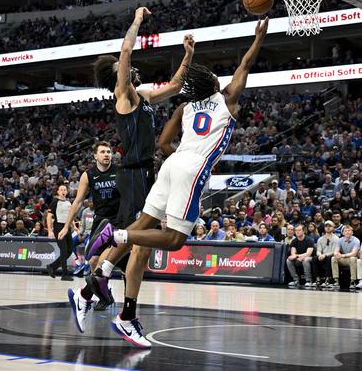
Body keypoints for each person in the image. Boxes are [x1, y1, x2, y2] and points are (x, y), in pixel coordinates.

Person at [83, 17, 269, 347]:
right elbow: (245, 63)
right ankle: (114, 239)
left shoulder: (184, 105)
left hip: (169, 164)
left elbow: (165, 138)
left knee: (144, 227)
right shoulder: (225, 99)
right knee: (172, 240)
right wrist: (259, 37)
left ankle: (111, 288)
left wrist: (187, 56)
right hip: (174, 168)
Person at [64, 7, 195, 324]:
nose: (133, 68)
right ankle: (104, 285)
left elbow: (176, 86)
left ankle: (99, 284)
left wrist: (188, 54)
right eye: (127, 67)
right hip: (134, 173)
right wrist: (137, 19)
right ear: (119, 76)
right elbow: (125, 50)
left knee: (143, 245)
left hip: (147, 173)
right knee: (139, 239)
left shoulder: (144, 95)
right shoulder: (125, 96)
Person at [60, 141, 121, 333]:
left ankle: (100, 295)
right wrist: (66, 225)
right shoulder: (89, 175)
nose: (106, 155)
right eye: (102, 152)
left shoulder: (119, 171)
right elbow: (77, 201)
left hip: (117, 221)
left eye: (109, 152)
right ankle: (103, 291)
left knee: (105, 261)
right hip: (100, 221)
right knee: (93, 261)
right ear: (95, 156)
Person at [46, 185, 75, 281]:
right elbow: (49, 217)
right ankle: (64, 274)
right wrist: (50, 230)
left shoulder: (68, 202)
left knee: (69, 250)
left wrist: (74, 226)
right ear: (58, 192)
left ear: (67, 192)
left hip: (67, 228)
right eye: (61, 189)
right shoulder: (55, 202)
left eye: (65, 190)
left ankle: (52, 267)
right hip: (58, 227)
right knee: (64, 250)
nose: (63, 191)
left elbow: (70, 216)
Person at [286, 224, 315, 288]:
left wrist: (297, 256)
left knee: (305, 260)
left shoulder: (309, 240)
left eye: (299, 230)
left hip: (310, 258)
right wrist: (296, 256)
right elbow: (293, 253)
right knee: (288, 260)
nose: (297, 232)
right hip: (299, 258)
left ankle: (308, 280)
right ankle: (296, 280)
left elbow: (308, 253)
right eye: (296, 230)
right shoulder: (294, 241)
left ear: (303, 231)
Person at [332, 224, 360, 289]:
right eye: (345, 231)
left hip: (352, 259)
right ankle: (336, 280)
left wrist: (343, 255)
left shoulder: (356, 240)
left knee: (353, 258)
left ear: (352, 232)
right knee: (333, 258)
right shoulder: (340, 240)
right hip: (343, 259)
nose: (347, 232)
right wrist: (337, 254)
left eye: (349, 230)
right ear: (343, 233)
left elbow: (354, 253)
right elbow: (336, 251)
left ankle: (353, 281)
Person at [314, 220, 339, 287]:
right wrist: (319, 255)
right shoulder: (320, 239)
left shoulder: (336, 238)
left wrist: (324, 255)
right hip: (322, 256)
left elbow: (334, 251)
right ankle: (317, 279)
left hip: (330, 256)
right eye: (326, 226)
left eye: (330, 226)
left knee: (329, 258)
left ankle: (328, 279)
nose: (327, 228)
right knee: (314, 258)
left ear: (333, 228)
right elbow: (318, 250)